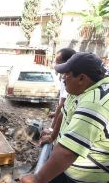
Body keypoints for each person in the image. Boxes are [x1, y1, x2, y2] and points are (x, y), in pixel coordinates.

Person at [20, 52, 109, 183]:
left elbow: (68, 152)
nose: (62, 78)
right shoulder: (81, 89)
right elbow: (64, 111)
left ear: (81, 79)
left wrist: (37, 179)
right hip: (67, 168)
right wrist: (52, 136)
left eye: (66, 74)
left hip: (85, 178)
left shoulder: (94, 103)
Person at [41, 48, 76, 143]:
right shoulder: (65, 77)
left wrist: (52, 130)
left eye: (58, 62)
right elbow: (63, 107)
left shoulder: (71, 80)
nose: (55, 65)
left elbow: (62, 105)